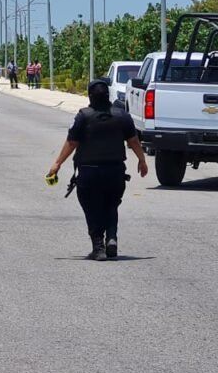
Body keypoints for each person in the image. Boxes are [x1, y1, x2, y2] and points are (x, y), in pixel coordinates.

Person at [47, 79, 148, 261]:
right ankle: (111, 237)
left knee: (91, 208)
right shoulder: (122, 115)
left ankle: (98, 247)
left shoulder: (83, 116)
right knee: (111, 205)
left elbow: (72, 142)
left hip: (89, 173)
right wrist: (142, 160)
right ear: (108, 95)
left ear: (90, 96)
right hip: (115, 172)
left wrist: (57, 163)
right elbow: (133, 141)